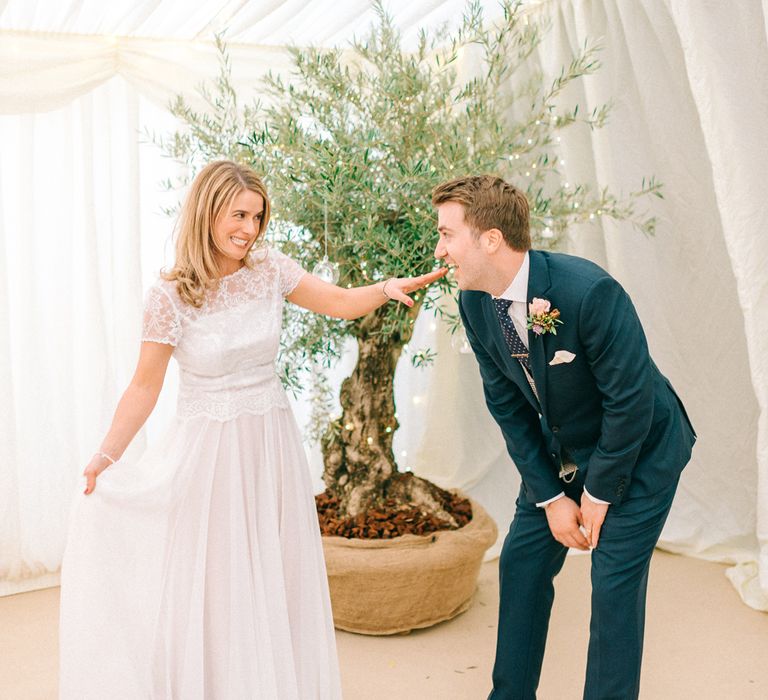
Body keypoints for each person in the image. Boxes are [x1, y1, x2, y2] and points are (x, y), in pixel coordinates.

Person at [59, 160, 446, 699]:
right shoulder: (169, 296)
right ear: (207, 212)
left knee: (273, 570)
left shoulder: (270, 269)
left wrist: (384, 287)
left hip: (270, 444)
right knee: (216, 579)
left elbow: (337, 302)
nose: (249, 228)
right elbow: (144, 386)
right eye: (238, 214)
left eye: (258, 216)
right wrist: (107, 453)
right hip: (208, 456)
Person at [432, 175, 696, 700]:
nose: (439, 250)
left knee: (613, 580)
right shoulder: (474, 302)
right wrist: (551, 496)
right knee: (522, 562)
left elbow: (630, 402)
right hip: (563, 453)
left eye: (446, 234)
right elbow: (507, 406)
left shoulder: (589, 292)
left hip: (640, 448)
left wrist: (598, 494)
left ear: (489, 239)